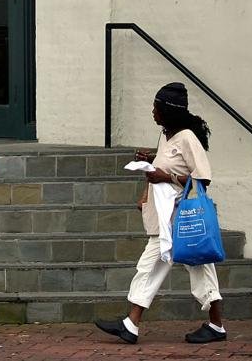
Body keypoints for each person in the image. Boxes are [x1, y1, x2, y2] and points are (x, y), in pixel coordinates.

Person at [94, 81, 227, 345]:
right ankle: (131, 324)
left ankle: (216, 326)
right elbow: (169, 162)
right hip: (163, 219)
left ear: (168, 110)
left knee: (199, 269)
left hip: (182, 220)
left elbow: (203, 179)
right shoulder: (166, 135)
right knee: (150, 267)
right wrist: (151, 159)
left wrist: (164, 174)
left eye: (156, 107)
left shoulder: (187, 137)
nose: (152, 111)